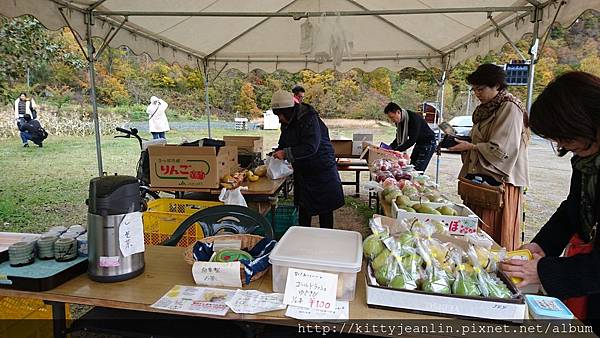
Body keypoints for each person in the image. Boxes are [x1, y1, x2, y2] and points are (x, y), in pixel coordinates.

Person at [502, 72, 600, 330]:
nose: (562, 144)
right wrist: (542, 245)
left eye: (565, 136)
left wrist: (545, 271)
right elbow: (573, 207)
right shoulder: (587, 159)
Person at [448, 63, 529, 251]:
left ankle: (492, 264)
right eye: (474, 89)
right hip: (480, 177)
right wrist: (465, 141)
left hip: (498, 181)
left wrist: (472, 146)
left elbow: (502, 150)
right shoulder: (487, 108)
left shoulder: (509, 108)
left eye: (481, 89)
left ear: (497, 86)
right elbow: (481, 137)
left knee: (492, 230)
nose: (477, 93)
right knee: (476, 225)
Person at [270, 90, 344, 228]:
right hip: (304, 172)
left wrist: (286, 154)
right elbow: (285, 140)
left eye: (280, 115)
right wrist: (278, 151)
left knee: (325, 210)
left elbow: (311, 147)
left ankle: (326, 238)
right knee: (303, 208)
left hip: (322, 170)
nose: (279, 119)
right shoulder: (288, 121)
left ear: (288, 111)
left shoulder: (309, 118)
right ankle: (303, 236)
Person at [384, 102, 436, 172]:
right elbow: (398, 139)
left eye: (392, 117)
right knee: (411, 167)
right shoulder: (400, 122)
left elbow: (412, 140)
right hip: (419, 143)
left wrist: (397, 151)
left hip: (428, 143)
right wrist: (389, 149)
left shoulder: (413, 118)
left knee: (417, 171)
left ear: (398, 112)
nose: (392, 120)